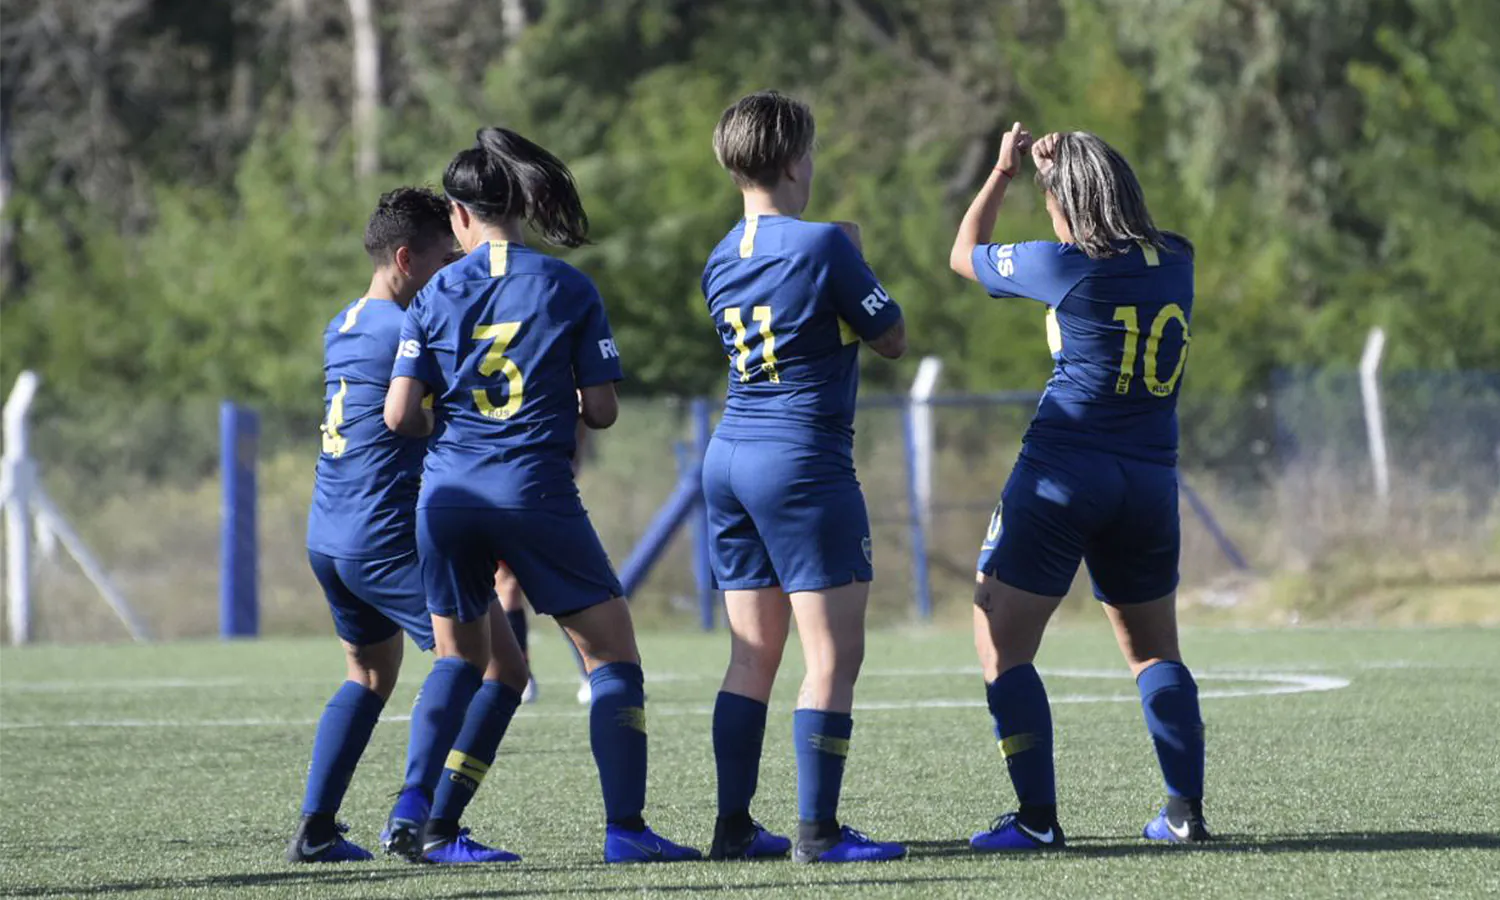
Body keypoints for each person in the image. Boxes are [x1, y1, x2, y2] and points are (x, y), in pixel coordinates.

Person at [382, 126, 700, 864]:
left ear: (458, 216)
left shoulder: (434, 293)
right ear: (519, 204)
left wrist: (457, 416)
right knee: (612, 656)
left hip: (447, 497)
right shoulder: (567, 285)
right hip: (532, 492)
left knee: (462, 663)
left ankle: (419, 814)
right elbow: (603, 410)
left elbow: (399, 416)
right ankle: (626, 831)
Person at [949, 124, 1207, 850]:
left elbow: (961, 255)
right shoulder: (1178, 257)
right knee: (1155, 652)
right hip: (1149, 479)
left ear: (1063, 202)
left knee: (1001, 646)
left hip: (1063, 473)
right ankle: (1184, 814)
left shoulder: (1061, 266)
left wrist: (1002, 173)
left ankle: (1036, 822)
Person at [700, 90, 909, 865]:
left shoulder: (719, 256)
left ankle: (733, 827)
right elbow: (891, 337)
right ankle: (818, 833)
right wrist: (856, 256)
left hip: (729, 457)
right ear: (794, 161)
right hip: (801, 461)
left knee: (752, 654)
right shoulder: (823, 245)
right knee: (832, 658)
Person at [288, 187, 470, 864]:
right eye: (444, 258)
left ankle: (316, 829)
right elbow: (428, 412)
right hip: (380, 533)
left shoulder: (343, 322)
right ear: (405, 259)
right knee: (479, 660)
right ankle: (422, 822)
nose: (454, 269)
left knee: (369, 676)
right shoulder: (408, 332)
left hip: (329, 533)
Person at [497, 418, 594, 706]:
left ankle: (591, 673)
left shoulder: (552, 373)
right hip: (496, 482)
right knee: (507, 583)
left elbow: (585, 410)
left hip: (541, 484)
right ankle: (521, 675)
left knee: (564, 581)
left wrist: (574, 457)